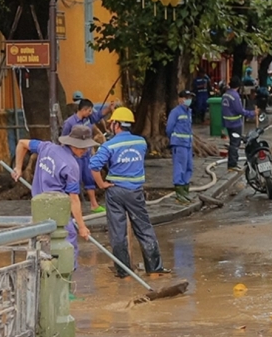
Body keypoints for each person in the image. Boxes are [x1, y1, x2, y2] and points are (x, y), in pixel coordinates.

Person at [90, 107, 171, 277]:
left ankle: (124, 273)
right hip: (135, 192)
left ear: (117, 125)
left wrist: (101, 184)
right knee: (144, 229)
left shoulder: (108, 146)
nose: (111, 125)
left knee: (118, 233)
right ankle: (154, 270)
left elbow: (93, 166)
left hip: (115, 191)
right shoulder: (141, 142)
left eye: (112, 123)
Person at [10, 125, 95, 266]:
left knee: (40, 241)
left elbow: (22, 143)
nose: (85, 151)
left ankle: (40, 273)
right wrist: (81, 227)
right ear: (74, 145)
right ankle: (66, 278)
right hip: (57, 210)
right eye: (83, 148)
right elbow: (74, 200)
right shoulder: (71, 166)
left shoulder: (46, 147)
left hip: (38, 207)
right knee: (68, 240)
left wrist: (18, 167)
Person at [62, 98, 116, 213]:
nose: (91, 113)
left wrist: (109, 109)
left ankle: (94, 204)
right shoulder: (69, 123)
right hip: (75, 157)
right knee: (74, 181)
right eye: (90, 110)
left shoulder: (88, 118)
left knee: (89, 178)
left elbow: (99, 115)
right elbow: (64, 140)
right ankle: (74, 207)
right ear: (84, 110)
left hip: (87, 155)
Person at [167, 90, 195, 204]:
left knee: (189, 167)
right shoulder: (175, 112)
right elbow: (169, 128)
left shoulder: (189, 112)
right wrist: (174, 139)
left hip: (188, 144)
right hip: (179, 144)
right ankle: (179, 194)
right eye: (186, 97)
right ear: (180, 99)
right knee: (180, 168)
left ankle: (185, 191)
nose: (188, 100)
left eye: (190, 98)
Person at [222, 77, 255, 171]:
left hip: (228, 123)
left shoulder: (225, 95)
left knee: (233, 142)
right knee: (234, 144)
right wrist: (252, 113)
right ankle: (232, 164)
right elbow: (240, 111)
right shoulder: (235, 96)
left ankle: (232, 163)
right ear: (238, 86)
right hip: (235, 124)